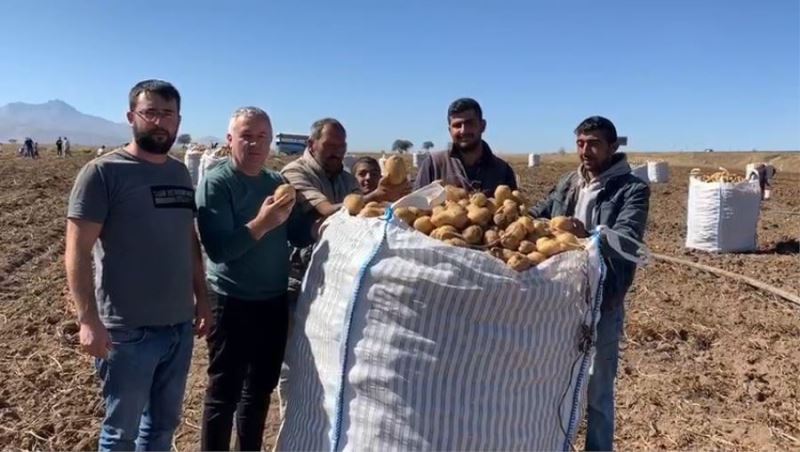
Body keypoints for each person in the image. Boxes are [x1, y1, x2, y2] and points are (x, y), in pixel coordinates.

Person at [65, 79, 211, 451]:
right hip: (127, 331)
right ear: (131, 116)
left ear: (179, 120)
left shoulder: (179, 173)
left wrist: (203, 299)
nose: (159, 123)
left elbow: (188, 240)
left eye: (168, 114)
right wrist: (87, 320)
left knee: (162, 428)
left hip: (178, 325)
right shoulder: (103, 173)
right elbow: (77, 251)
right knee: (120, 432)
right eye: (150, 113)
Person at [196, 107, 316, 451]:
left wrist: (328, 223)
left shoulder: (277, 183)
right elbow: (219, 249)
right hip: (231, 302)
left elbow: (295, 231)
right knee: (224, 394)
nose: (255, 143)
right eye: (247, 135)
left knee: (259, 392)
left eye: (263, 136)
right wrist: (262, 222)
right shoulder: (217, 183)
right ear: (230, 139)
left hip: (272, 301)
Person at [530, 116, 650, 451]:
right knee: (552, 381)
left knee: (598, 391)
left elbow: (628, 238)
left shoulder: (632, 189)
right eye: (581, 143)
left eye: (594, 143)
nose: (585, 150)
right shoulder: (569, 182)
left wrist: (587, 233)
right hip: (558, 297)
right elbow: (539, 214)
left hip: (602, 299)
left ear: (613, 147)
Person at [414, 98, 517, 195]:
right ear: (450, 130)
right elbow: (414, 209)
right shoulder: (433, 165)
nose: (463, 130)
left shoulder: (503, 170)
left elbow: (513, 209)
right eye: (457, 125)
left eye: (470, 123)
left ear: (482, 126)